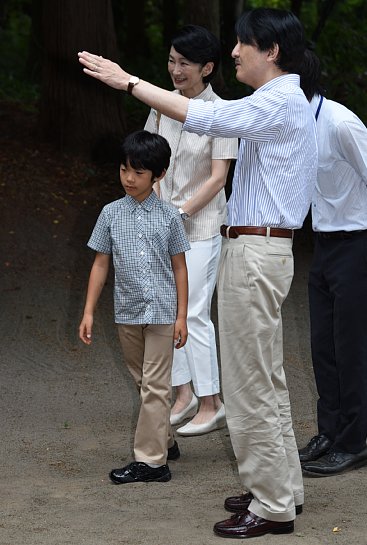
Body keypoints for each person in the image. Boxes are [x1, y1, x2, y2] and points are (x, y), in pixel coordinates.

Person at [78, 6, 317, 538]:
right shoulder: (281, 100)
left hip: (256, 253)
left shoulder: (277, 99)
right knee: (268, 379)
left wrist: (128, 81)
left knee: (251, 381)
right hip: (263, 250)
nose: (233, 52)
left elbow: (204, 118)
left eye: (241, 44)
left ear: (271, 51)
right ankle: (283, 488)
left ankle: (272, 503)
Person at [79, 130, 190, 484]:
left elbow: (179, 267)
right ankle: (165, 439)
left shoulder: (170, 217)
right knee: (145, 383)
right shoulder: (110, 213)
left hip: (161, 313)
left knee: (156, 386)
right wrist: (89, 311)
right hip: (127, 312)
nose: (129, 178)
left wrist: (182, 315)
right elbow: (100, 263)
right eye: (125, 169)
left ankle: (151, 462)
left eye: (139, 172)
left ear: (158, 175)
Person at [144, 25, 238, 436]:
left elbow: (218, 177)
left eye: (184, 63)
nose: (175, 70)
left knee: (194, 311)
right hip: (164, 223)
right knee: (168, 311)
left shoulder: (222, 113)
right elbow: (150, 157)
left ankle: (212, 402)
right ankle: (182, 395)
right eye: (171, 60)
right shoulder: (162, 105)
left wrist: (178, 212)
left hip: (201, 226)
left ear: (208, 68)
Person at [297, 51, 367, 476]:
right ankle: (330, 431)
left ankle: (355, 440)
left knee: (351, 346)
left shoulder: (341, 123)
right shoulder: (294, 124)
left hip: (357, 243)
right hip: (322, 245)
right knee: (323, 346)